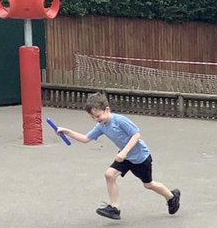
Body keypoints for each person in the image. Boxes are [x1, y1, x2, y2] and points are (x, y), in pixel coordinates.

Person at [55, 92, 180, 220]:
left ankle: (171, 196)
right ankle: (115, 208)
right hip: (124, 157)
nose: (96, 119)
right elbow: (85, 138)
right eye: (93, 117)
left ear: (107, 110)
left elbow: (136, 135)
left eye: (98, 116)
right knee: (109, 174)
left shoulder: (119, 120)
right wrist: (66, 131)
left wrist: (124, 152)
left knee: (148, 184)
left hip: (141, 158)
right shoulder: (101, 126)